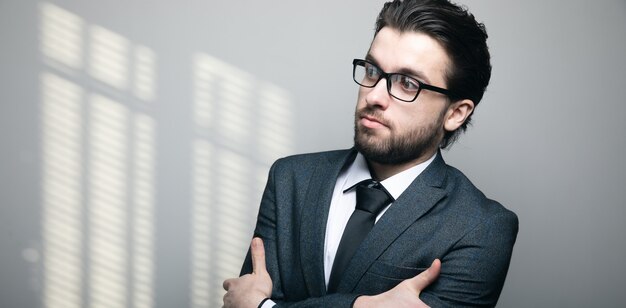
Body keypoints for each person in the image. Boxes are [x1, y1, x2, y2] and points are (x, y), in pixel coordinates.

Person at [223, 0, 518, 306]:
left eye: (407, 83)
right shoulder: (290, 178)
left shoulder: (482, 226)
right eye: (372, 70)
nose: (374, 95)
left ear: (456, 113)